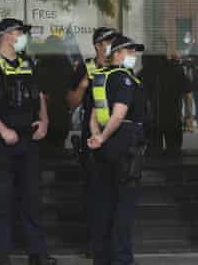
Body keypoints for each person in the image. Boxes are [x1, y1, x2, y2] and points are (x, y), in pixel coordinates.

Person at [0, 18, 57, 265]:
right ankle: (1, 255)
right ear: (6, 35)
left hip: (28, 139)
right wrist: (2, 130)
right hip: (1, 142)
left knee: (32, 198)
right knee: (1, 200)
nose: (23, 36)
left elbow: (39, 94)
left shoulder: (26, 62)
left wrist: (44, 121)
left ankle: (37, 253)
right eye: (20, 32)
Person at [87, 34, 149, 265]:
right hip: (124, 143)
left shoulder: (100, 77)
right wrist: (102, 137)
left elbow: (94, 114)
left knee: (104, 203)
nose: (133, 56)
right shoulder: (123, 78)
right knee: (124, 204)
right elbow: (119, 113)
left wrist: (96, 137)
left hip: (105, 145)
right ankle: (121, 259)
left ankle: (102, 257)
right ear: (118, 53)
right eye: (130, 51)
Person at [67, 27, 119, 257]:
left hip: (117, 138)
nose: (112, 45)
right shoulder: (86, 68)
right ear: (98, 44)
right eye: (109, 41)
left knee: (117, 193)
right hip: (93, 140)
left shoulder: (120, 66)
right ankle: (95, 243)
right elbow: (71, 101)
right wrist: (83, 86)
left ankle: (115, 242)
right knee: (95, 193)